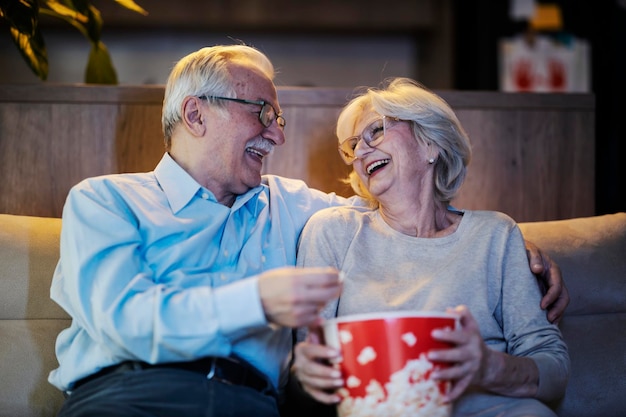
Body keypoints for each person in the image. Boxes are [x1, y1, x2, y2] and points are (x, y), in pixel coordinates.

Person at [48, 45, 567, 417]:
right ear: (195, 113)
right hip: (128, 397)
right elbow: (125, 320)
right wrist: (257, 301)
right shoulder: (104, 200)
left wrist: (517, 250)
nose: (276, 133)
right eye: (263, 113)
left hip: (250, 405)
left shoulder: (296, 206)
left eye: (279, 118)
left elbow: (400, 213)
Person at [292, 78, 570, 417]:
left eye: (375, 132)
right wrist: (306, 376)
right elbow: (303, 367)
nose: (360, 152)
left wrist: (489, 368)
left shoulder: (496, 234)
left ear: (430, 144)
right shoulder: (332, 232)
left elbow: (553, 366)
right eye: (352, 147)